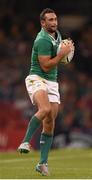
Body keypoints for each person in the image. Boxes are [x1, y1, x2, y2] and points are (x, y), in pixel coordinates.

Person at [18, 8, 73, 176]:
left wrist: (66, 54)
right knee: (45, 109)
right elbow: (46, 65)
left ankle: (42, 163)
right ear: (43, 23)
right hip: (37, 78)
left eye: (55, 19)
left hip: (52, 82)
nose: (54, 22)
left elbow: (59, 60)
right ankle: (26, 142)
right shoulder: (42, 39)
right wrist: (62, 54)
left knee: (50, 122)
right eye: (50, 20)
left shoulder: (57, 35)